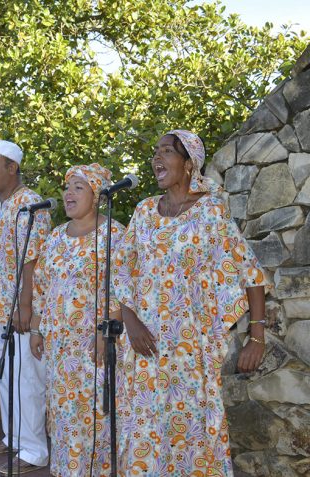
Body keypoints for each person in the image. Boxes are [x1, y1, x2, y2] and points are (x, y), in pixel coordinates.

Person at [112, 130, 269, 475]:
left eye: (167, 151)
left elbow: (251, 273)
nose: (157, 158)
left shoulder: (210, 211)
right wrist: (131, 321)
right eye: (156, 152)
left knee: (192, 432)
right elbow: (121, 272)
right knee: (144, 430)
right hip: (145, 348)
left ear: (188, 164)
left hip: (190, 349)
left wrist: (256, 336)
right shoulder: (142, 213)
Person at [29, 164, 126, 476]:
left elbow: (122, 286)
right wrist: (35, 328)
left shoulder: (115, 234)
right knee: (64, 413)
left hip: (95, 344)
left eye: (78, 187)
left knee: (95, 412)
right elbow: (41, 286)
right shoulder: (56, 237)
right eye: (67, 187)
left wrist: (104, 332)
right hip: (60, 347)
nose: (68, 194)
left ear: (97, 196)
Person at [0, 140, 51, 475]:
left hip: (22, 309)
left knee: (27, 381)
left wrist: (25, 307)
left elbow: (32, 259)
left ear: (12, 168)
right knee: (6, 377)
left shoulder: (30, 203)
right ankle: (14, 438)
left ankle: (35, 450)